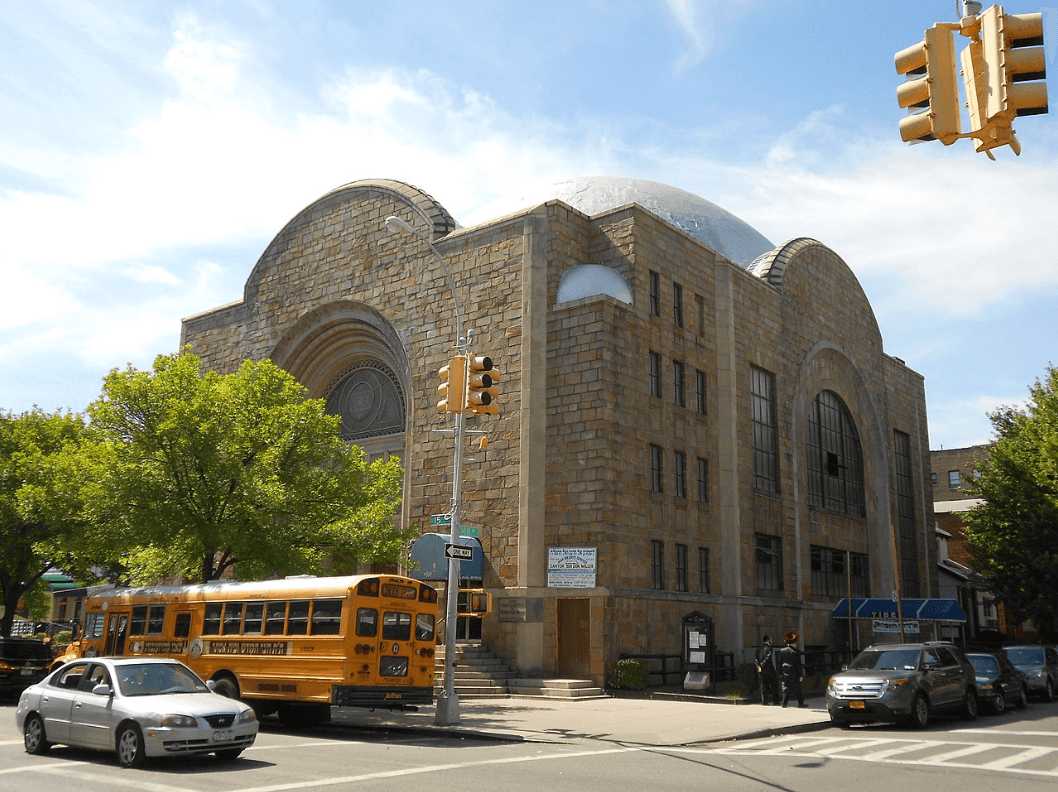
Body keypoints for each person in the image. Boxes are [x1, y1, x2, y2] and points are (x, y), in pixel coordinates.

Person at [776, 631, 805, 708]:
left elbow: (779, 663)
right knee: (798, 689)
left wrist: (779, 673)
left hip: (785, 672)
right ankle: (801, 704)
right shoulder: (796, 652)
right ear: (794, 643)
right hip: (794, 673)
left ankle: (784, 703)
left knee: (786, 688)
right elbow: (798, 665)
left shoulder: (782, 651)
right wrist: (801, 675)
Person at [754, 634, 779, 705]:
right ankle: (776, 701)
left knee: (763, 686)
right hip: (769, 670)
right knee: (774, 685)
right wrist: (762, 664)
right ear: (768, 640)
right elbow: (768, 657)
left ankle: (764, 702)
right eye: (771, 639)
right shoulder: (769, 648)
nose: (772, 641)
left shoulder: (758, 648)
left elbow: (755, 659)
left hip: (761, 671)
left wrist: (759, 667)